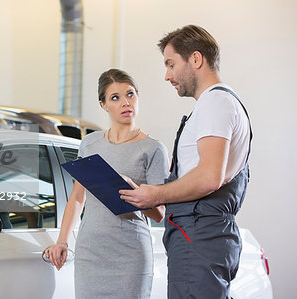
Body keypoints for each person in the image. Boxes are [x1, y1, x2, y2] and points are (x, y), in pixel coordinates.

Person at [119, 25, 252, 298]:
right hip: (199, 234)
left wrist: (155, 194)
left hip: (199, 236)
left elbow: (208, 177)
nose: (167, 76)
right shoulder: (218, 104)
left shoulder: (216, 103)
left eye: (171, 64)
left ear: (195, 59)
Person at [44, 69, 169, 299]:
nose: (125, 102)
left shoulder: (153, 149)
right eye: (115, 97)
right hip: (90, 252)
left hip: (130, 255)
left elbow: (159, 213)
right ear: (103, 104)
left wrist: (133, 192)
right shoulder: (90, 144)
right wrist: (62, 241)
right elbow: (77, 197)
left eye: (130, 94)